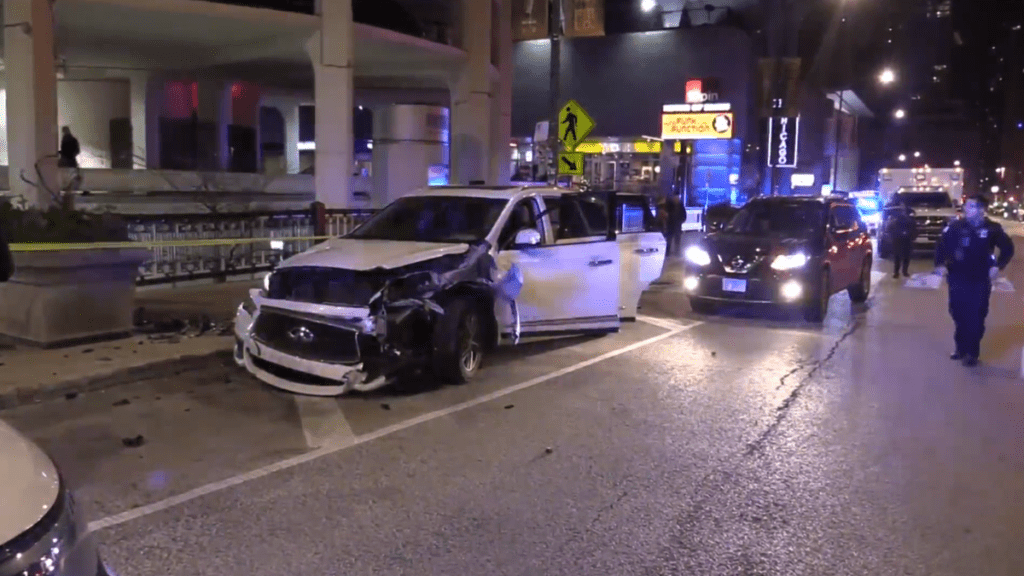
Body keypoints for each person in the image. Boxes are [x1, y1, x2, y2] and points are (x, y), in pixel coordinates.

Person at [933, 194, 1015, 366]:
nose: (967, 209)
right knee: (958, 313)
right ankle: (960, 348)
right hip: (957, 276)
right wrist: (940, 265)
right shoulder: (955, 227)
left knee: (977, 314)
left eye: (971, 206)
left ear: (981, 209)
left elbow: (1008, 248)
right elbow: (941, 247)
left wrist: (997, 266)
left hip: (980, 278)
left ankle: (972, 352)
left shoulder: (992, 228)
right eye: (967, 205)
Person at [886, 203, 917, 278]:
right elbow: (914, 229)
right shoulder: (909, 219)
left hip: (900, 239)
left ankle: (898, 272)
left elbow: (889, 228)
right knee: (904, 256)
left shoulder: (895, 218)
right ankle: (903, 271)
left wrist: (891, 237)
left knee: (898, 256)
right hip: (903, 239)